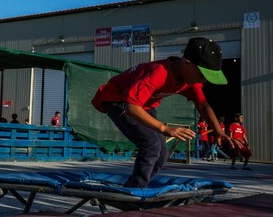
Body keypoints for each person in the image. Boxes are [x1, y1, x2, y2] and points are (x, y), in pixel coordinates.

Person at [91, 37, 236, 187]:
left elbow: (202, 105)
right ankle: (136, 188)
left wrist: (219, 132)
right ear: (186, 63)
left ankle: (137, 185)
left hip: (145, 106)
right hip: (119, 100)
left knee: (162, 154)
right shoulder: (157, 73)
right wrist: (164, 128)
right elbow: (131, 107)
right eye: (202, 75)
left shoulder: (191, 80)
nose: (204, 81)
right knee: (151, 144)